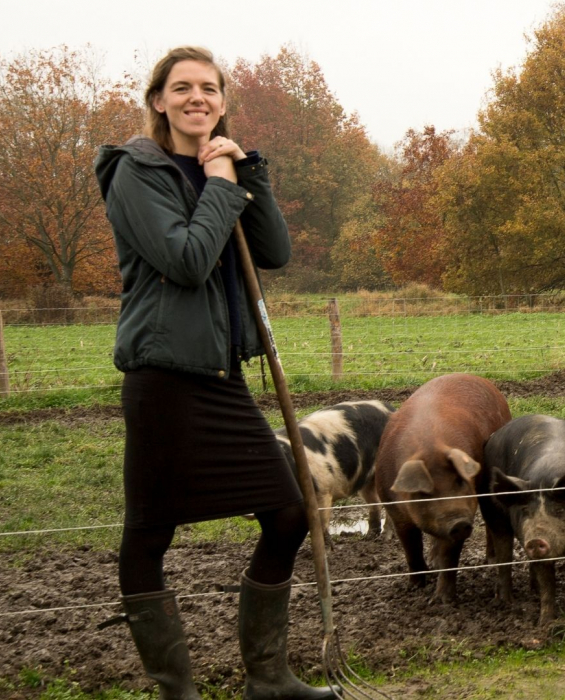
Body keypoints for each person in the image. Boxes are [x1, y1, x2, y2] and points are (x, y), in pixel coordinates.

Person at [94, 47, 335, 699]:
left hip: (221, 378)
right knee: (150, 532)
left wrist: (242, 171)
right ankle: (177, 690)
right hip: (164, 378)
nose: (195, 97)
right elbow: (188, 259)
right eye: (181, 88)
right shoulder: (134, 173)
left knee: (288, 513)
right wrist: (222, 185)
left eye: (208, 88)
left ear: (223, 103)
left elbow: (276, 252)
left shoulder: (223, 167)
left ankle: (269, 679)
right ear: (158, 101)